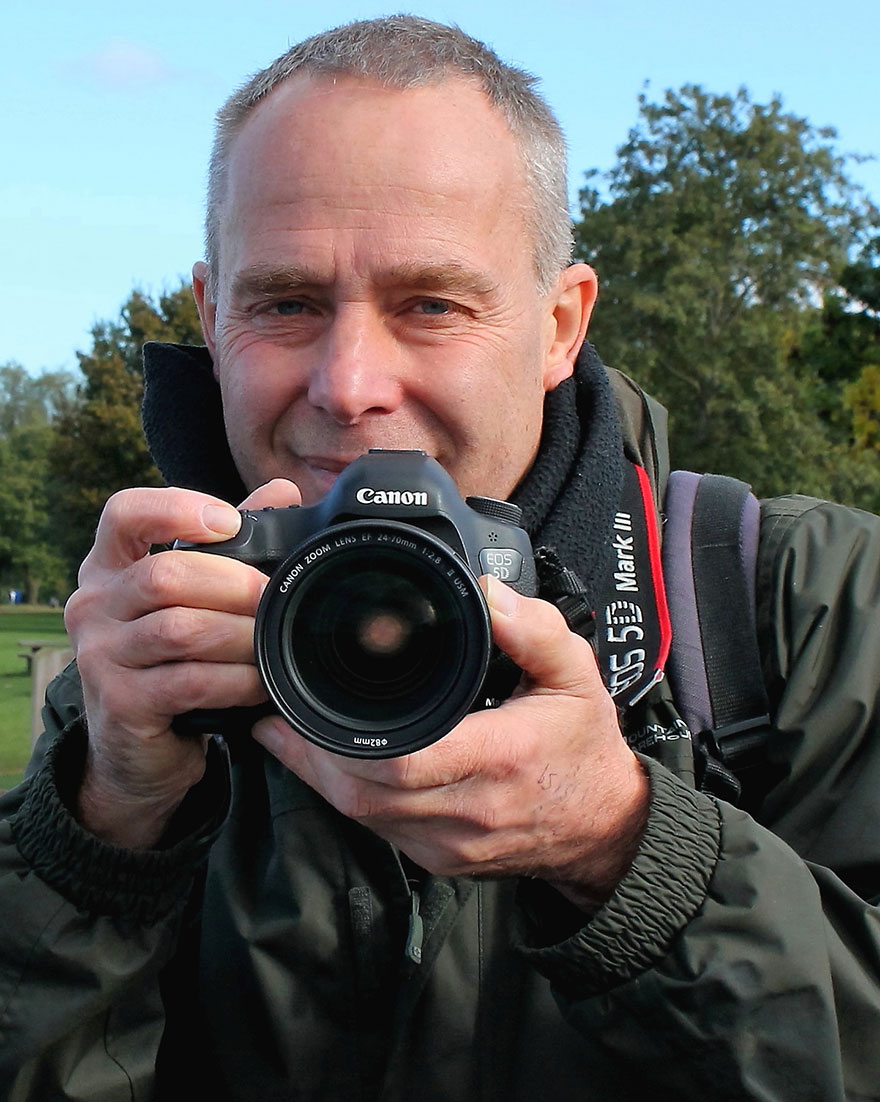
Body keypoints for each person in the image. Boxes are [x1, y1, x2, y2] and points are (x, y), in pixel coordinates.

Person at [1, 16, 879, 1100]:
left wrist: (626, 848)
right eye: (286, 303)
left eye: (431, 304)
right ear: (211, 311)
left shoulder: (791, 604)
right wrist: (99, 836)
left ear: (560, 324)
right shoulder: (156, 643)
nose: (348, 383)